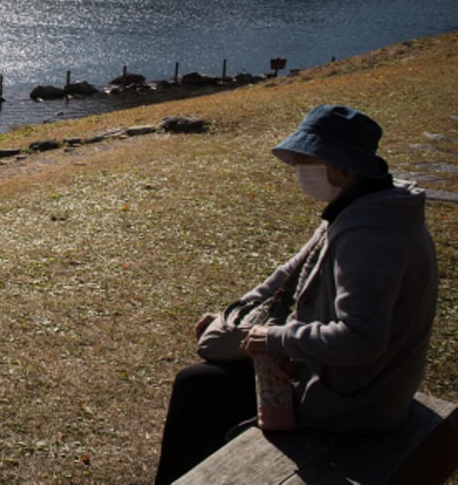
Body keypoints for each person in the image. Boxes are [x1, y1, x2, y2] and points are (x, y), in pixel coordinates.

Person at [153, 104, 438, 484]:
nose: (302, 170)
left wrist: (273, 338)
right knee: (207, 378)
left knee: (199, 388)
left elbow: (362, 339)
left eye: (309, 160)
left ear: (344, 167)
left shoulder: (372, 237)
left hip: (356, 402)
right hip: (337, 378)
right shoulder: (358, 206)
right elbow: (288, 272)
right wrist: (236, 315)